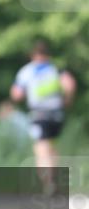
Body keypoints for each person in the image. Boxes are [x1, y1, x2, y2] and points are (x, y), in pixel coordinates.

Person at [10, 40, 77, 194]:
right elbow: (70, 84)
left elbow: (16, 94)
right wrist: (68, 99)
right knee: (51, 147)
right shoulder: (56, 69)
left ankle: (48, 182)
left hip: (39, 114)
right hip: (57, 113)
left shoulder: (28, 71)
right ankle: (55, 178)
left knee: (41, 147)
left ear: (33, 55)